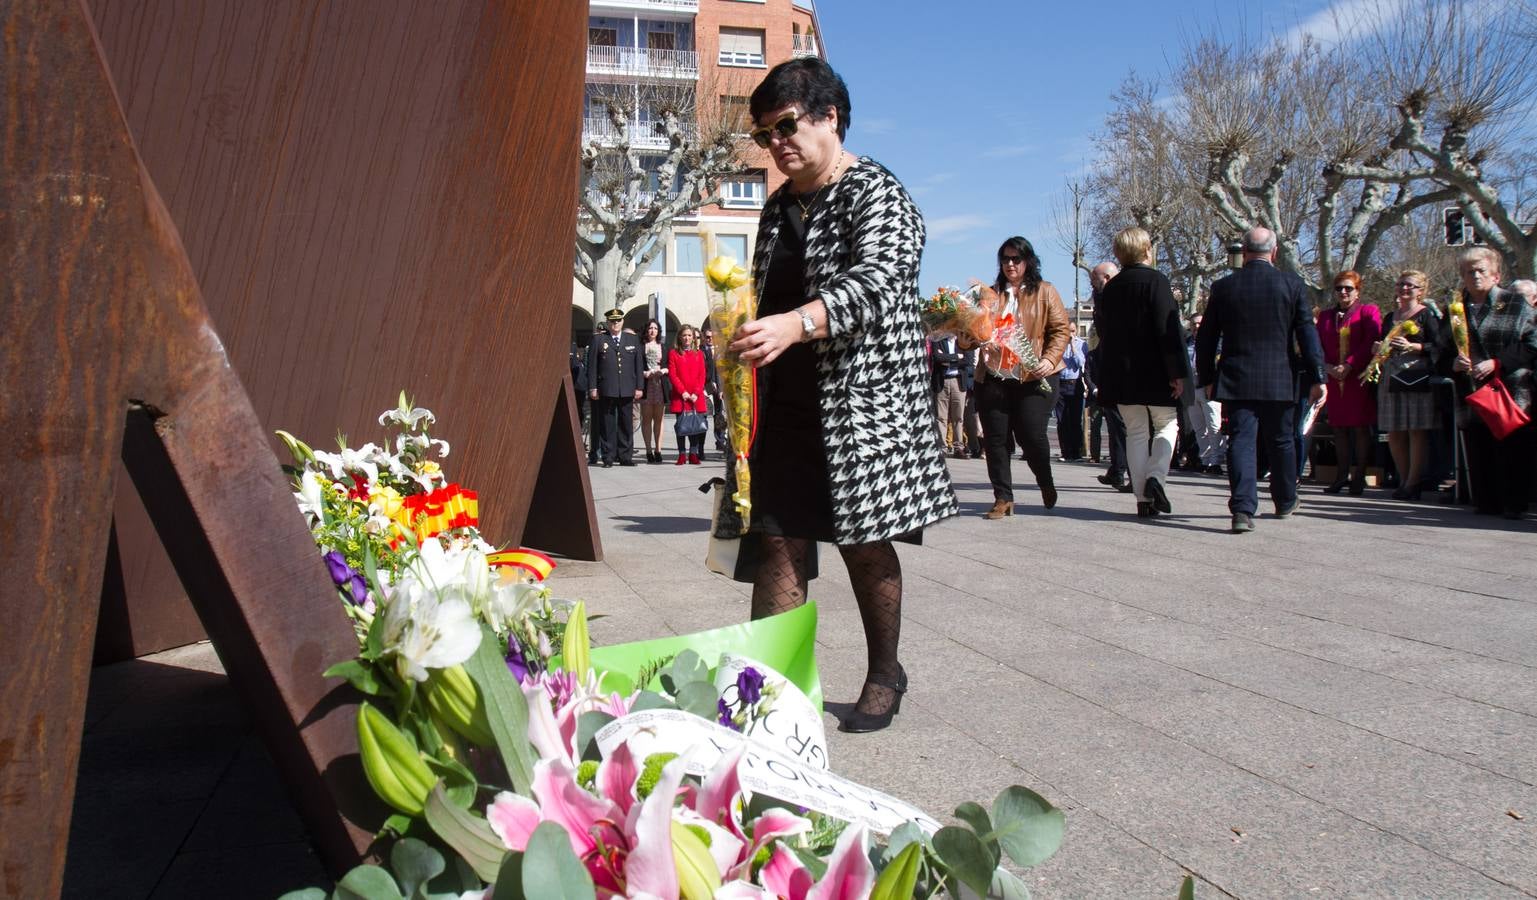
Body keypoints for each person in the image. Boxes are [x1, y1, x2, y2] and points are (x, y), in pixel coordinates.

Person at [724, 58, 957, 733]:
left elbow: (879, 280)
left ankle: (885, 672)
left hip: (860, 407)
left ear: (829, 116)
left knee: (865, 542)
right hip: (785, 402)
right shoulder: (777, 208)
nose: (776, 144)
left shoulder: (877, 193)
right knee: (777, 541)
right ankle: (766, 694)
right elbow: (762, 293)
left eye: (787, 126)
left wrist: (797, 323)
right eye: (765, 135)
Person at [1195, 227, 1327, 534]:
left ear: (1244, 252)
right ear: (1275, 251)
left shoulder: (1224, 287)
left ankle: (1242, 509)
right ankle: (1285, 499)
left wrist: (1207, 378)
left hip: (1238, 375)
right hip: (1279, 375)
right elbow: (1307, 334)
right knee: (1281, 440)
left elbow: (1206, 338)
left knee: (1241, 441)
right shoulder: (1291, 285)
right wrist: (1317, 374)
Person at [967, 237, 1071, 518]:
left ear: (1028, 261)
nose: (1010, 264)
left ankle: (1045, 480)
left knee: (1032, 435)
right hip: (993, 377)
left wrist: (1049, 359)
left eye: (1016, 259)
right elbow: (969, 334)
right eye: (1005, 259)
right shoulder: (989, 294)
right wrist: (971, 335)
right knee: (996, 439)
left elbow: (1060, 330)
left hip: (1032, 377)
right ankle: (1003, 498)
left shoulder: (1045, 292)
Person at [1093, 227, 1187, 518]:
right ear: (1147, 250)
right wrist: (1177, 372)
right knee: (1167, 425)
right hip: (1157, 370)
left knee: (1135, 432)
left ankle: (1142, 498)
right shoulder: (1157, 281)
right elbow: (1167, 330)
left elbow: (1104, 332)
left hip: (1123, 373)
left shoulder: (1111, 289)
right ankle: (1156, 478)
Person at [1439, 247, 1537, 519]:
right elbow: (1441, 349)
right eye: (1469, 272)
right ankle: (1485, 500)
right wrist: (1452, 364)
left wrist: (1498, 362)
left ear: (1495, 275)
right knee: (1478, 446)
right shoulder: (1456, 310)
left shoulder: (1515, 304)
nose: (1475, 276)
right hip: (1472, 391)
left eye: (1481, 270)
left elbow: (1532, 343)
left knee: (1511, 448)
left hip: (1508, 390)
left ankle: (1514, 502)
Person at [1315, 270, 1383, 495]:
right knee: (1339, 429)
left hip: (1357, 377)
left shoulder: (1367, 311)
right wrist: (1327, 367)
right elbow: (1317, 345)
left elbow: (1371, 340)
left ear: (1357, 290)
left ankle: (1359, 476)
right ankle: (1340, 475)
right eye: (1339, 288)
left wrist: (1351, 364)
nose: (1343, 292)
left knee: (1360, 428)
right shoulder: (1325, 316)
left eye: (1348, 288)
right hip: (1333, 377)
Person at [1376, 270, 1442, 500]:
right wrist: (1379, 349)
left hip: (1416, 375)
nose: (1405, 288)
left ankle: (1414, 482)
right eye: (1401, 284)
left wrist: (1414, 347)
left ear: (1421, 291)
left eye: (1411, 285)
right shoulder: (1389, 317)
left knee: (1416, 430)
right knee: (1394, 432)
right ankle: (1403, 479)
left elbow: (1438, 345)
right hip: (1391, 375)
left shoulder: (1427, 315)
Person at [1087, 262, 1130, 491]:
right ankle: (1117, 470)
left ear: (1105, 278)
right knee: (1114, 425)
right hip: (1108, 366)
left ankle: (1130, 472)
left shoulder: (1116, 298)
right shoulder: (1102, 298)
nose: (1092, 285)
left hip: (1120, 369)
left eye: (1094, 280)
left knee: (1123, 426)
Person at [586, 308, 644, 467]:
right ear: (607, 322)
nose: (615, 323)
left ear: (623, 321)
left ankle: (625, 456)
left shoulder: (632, 339)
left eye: (618, 320)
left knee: (626, 423)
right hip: (606, 388)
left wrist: (639, 386)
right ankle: (608, 457)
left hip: (627, 388)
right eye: (612, 321)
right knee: (607, 424)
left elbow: (638, 365)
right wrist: (592, 387)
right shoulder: (599, 340)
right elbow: (592, 366)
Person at [667, 324, 708, 465]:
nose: (687, 338)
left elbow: (702, 375)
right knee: (682, 424)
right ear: (679, 337)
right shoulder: (673, 353)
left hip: (696, 396)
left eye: (689, 335)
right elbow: (673, 375)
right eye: (684, 335)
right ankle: (682, 454)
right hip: (681, 396)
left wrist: (696, 392)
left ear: (693, 338)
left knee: (695, 426)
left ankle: (693, 453)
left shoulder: (699, 354)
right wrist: (683, 391)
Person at [929, 335, 971, 456]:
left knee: (958, 417)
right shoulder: (938, 340)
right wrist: (957, 357)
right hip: (942, 381)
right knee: (941, 417)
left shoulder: (963, 341)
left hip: (958, 382)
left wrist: (947, 360)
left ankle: (958, 446)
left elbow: (967, 360)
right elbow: (937, 357)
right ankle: (942, 446)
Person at [639, 319, 669, 463]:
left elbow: (668, 364)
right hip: (646, 385)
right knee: (646, 419)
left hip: (659, 385)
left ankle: (658, 449)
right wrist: (645, 373)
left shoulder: (662, 346)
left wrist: (664, 370)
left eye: (655, 328)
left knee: (659, 419)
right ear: (646, 330)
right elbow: (637, 366)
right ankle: (649, 450)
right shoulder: (641, 346)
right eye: (650, 328)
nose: (652, 331)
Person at [1055, 332, 1087, 461]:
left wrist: (1073, 346)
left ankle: (1076, 452)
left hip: (1074, 384)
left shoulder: (1081, 344)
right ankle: (1065, 451)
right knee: (1062, 420)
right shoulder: (1059, 343)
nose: (1070, 334)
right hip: (1060, 383)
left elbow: (1080, 363)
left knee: (1075, 420)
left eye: (1073, 331)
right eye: (1068, 330)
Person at [700, 324, 728, 452]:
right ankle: (700, 445)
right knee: (704, 415)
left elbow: (722, 371)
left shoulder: (721, 351)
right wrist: (708, 382)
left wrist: (720, 387)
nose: (710, 339)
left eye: (712, 337)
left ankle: (720, 440)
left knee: (719, 415)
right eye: (707, 337)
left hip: (718, 388)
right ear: (704, 337)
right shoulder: (700, 350)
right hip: (705, 386)